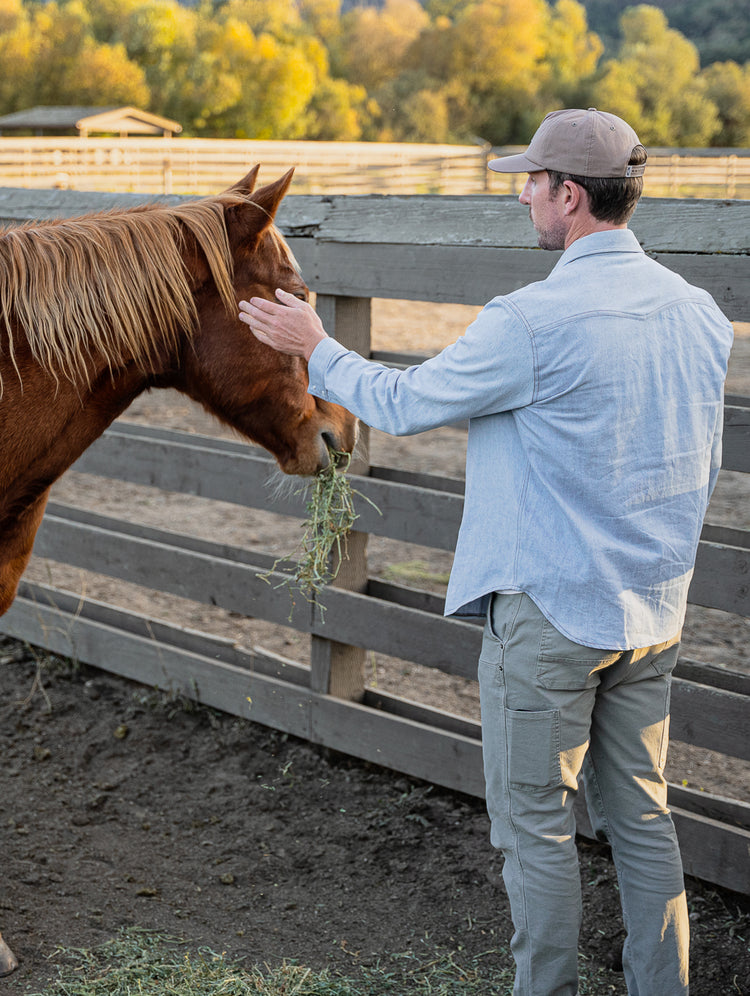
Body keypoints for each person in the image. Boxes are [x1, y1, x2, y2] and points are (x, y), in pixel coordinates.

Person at [238, 108, 733, 995]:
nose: (522, 195)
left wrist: (317, 347)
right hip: (652, 609)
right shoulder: (697, 314)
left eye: (532, 181)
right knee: (644, 817)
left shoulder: (531, 320)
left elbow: (407, 400)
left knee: (534, 826)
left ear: (570, 197)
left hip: (550, 613)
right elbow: (704, 461)